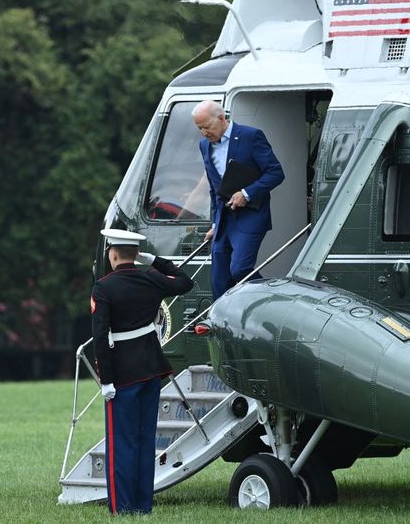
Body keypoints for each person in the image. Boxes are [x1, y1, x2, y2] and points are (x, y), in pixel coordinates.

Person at [91, 229, 194, 515]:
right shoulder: (150, 278)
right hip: (151, 370)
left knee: (121, 443)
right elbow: (186, 282)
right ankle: (142, 506)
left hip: (123, 376)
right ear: (136, 254)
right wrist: (158, 261)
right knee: (144, 440)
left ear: (112, 253)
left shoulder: (104, 287)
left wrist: (106, 380)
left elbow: (101, 337)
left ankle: (123, 509)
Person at [192, 100, 285, 300]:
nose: (203, 133)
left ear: (221, 118)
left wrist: (247, 193)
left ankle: (273, 300)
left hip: (250, 218)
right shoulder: (204, 145)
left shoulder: (250, 136)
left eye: (206, 127)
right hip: (223, 221)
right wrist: (215, 222)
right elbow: (214, 188)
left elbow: (276, 173)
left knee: (241, 270)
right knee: (218, 280)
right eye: (199, 128)